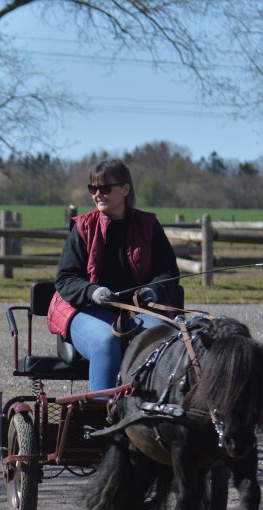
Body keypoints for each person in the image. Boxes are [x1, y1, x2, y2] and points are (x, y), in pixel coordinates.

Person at [47, 159, 180, 392]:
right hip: (86, 310)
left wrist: (153, 290)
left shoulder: (149, 225)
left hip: (140, 310)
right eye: (93, 188)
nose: (98, 194)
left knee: (161, 340)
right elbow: (65, 279)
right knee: (106, 340)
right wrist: (92, 292)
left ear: (126, 189)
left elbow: (168, 272)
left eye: (105, 188)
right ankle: (102, 409)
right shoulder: (83, 227)